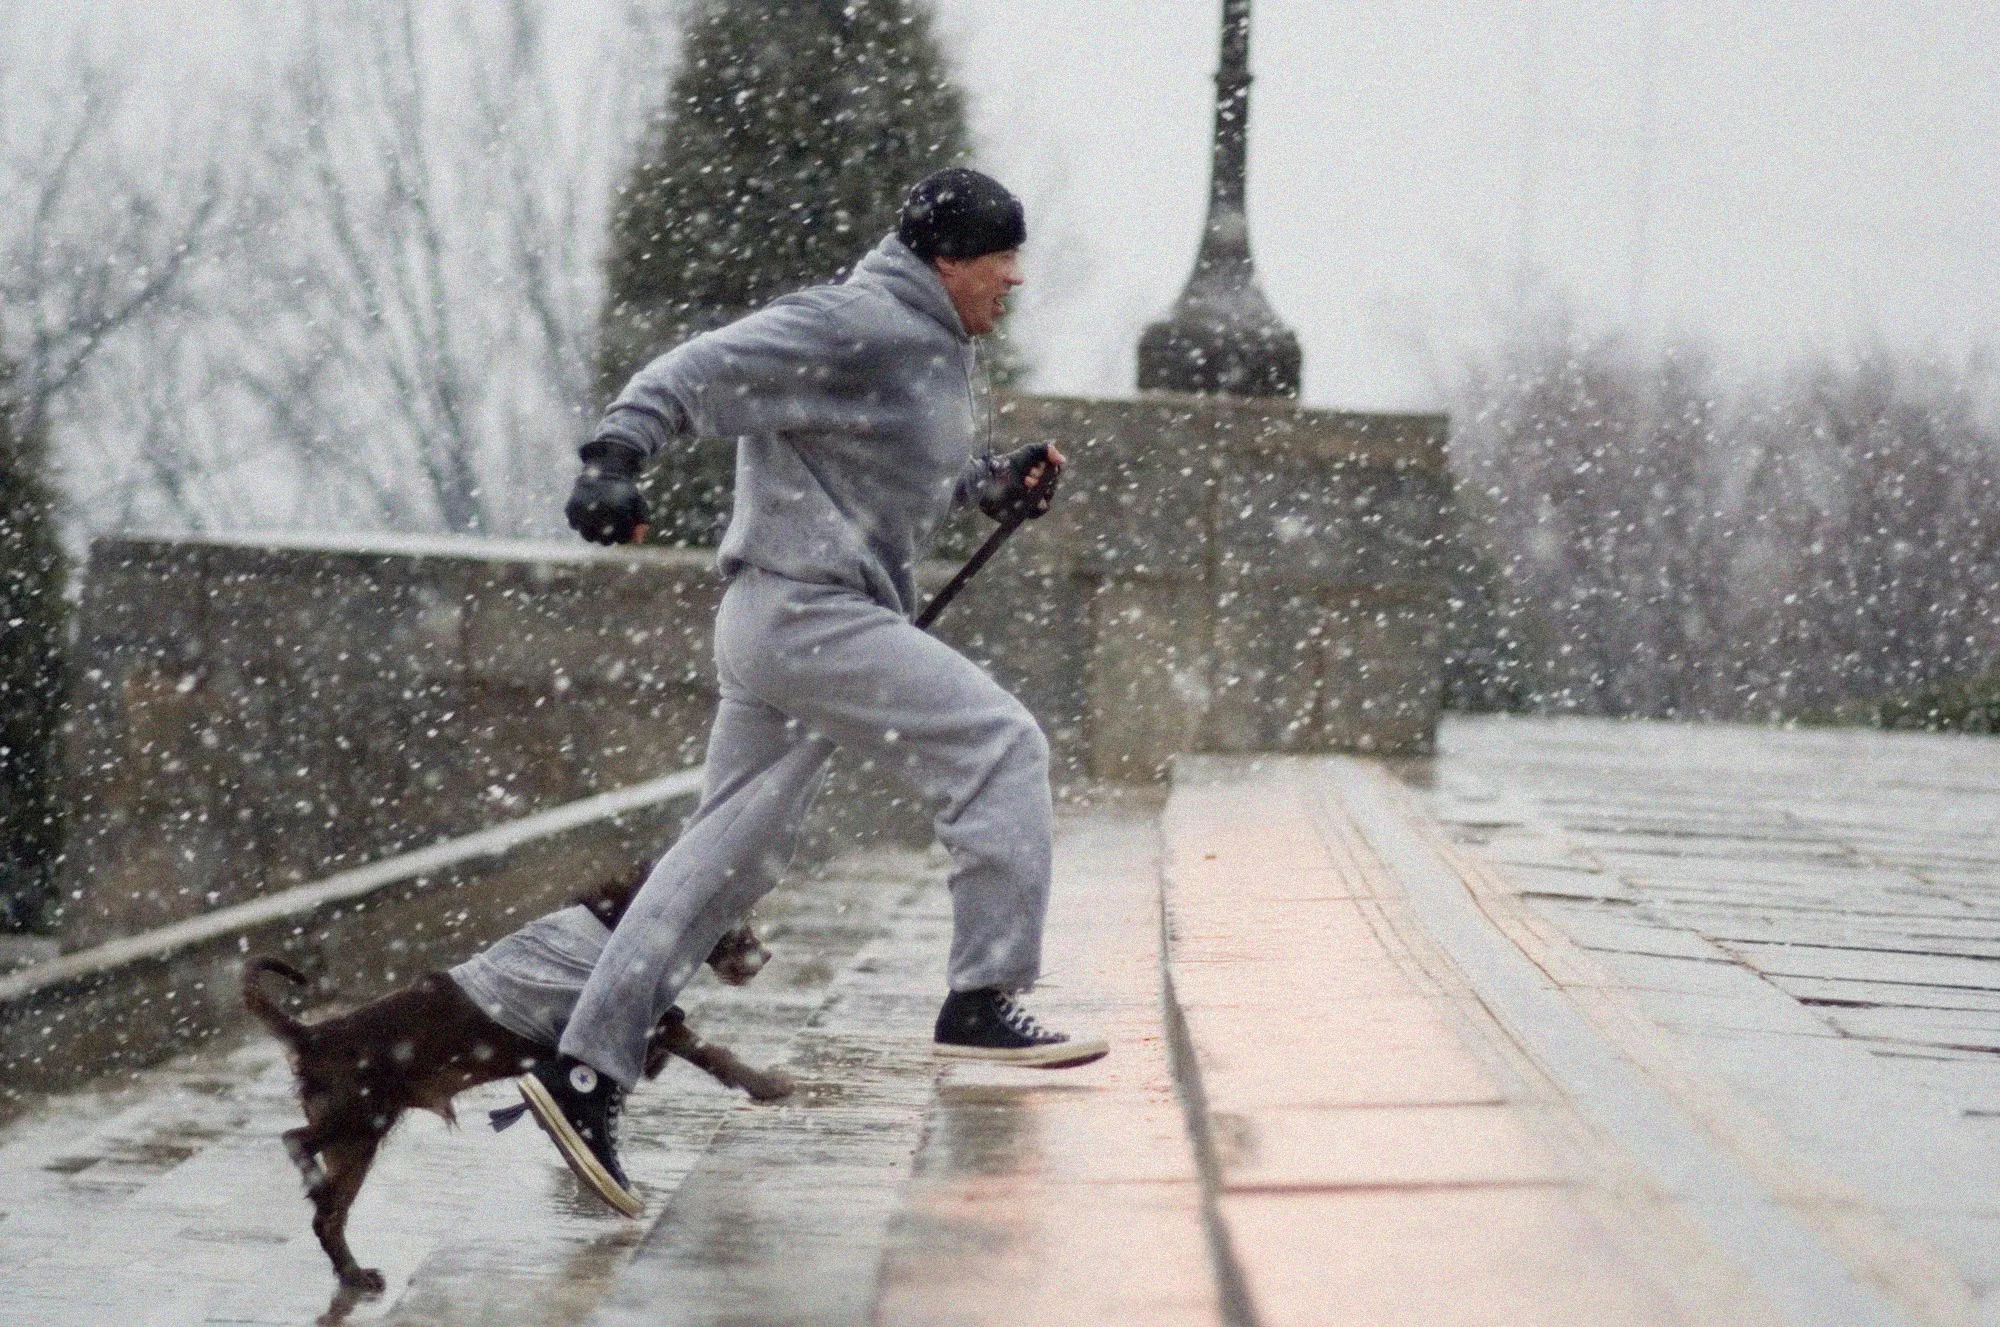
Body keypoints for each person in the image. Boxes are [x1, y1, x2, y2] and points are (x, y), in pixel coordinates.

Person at [517, 168, 1107, 1217]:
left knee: (726, 857)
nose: (1015, 278)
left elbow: (900, 462)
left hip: (791, 619)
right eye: (1000, 258)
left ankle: (584, 1070)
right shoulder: (851, 321)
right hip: (807, 614)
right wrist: (613, 455)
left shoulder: (930, 344)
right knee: (1000, 744)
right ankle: (982, 997)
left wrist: (991, 483)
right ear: (946, 260)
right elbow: (695, 370)